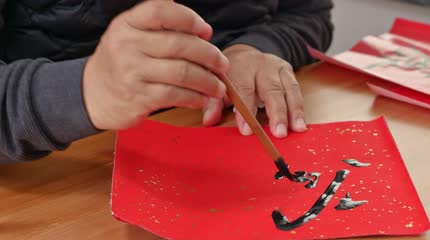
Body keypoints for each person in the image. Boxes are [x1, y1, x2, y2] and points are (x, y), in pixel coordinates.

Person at [0, 0, 334, 163]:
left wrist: (256, 48)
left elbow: (307, 13)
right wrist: (84, 91)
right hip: (58, 183)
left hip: (225, 146)